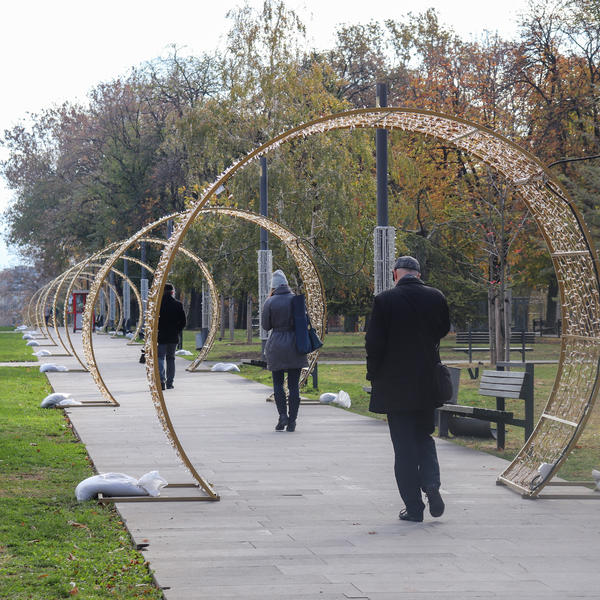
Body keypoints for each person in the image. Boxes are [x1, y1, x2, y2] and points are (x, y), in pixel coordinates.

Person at [365, 256, 450, 522]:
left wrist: (373, 374)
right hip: (427, 382)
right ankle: (432, 484)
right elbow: (443, 329)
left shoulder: (384, 300)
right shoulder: (436, 297)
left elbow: (374, 343)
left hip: (395, 385)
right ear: (419, 274)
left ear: (395, 274)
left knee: (403, 447)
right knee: (424, 437)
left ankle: (413, 508)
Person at [261, 269, 308, 432]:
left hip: (276, 346)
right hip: (296, 345)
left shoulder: (270, 302)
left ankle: (282, 416)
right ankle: (292, 421)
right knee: (294, 385)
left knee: (278, 383)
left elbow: (266, 326)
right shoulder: (296, 299)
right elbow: (304, 321)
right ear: (286, 284)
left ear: (273, 287)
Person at [157, 283, 186, 390]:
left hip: (161, 336)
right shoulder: (178, 304)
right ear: (172, 292)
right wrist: (177, 330)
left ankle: (161, 379)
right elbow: (183, 321)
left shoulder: (158, 305)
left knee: (160, 357)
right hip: (173, 337)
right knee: (171, 359)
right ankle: (170, 382)